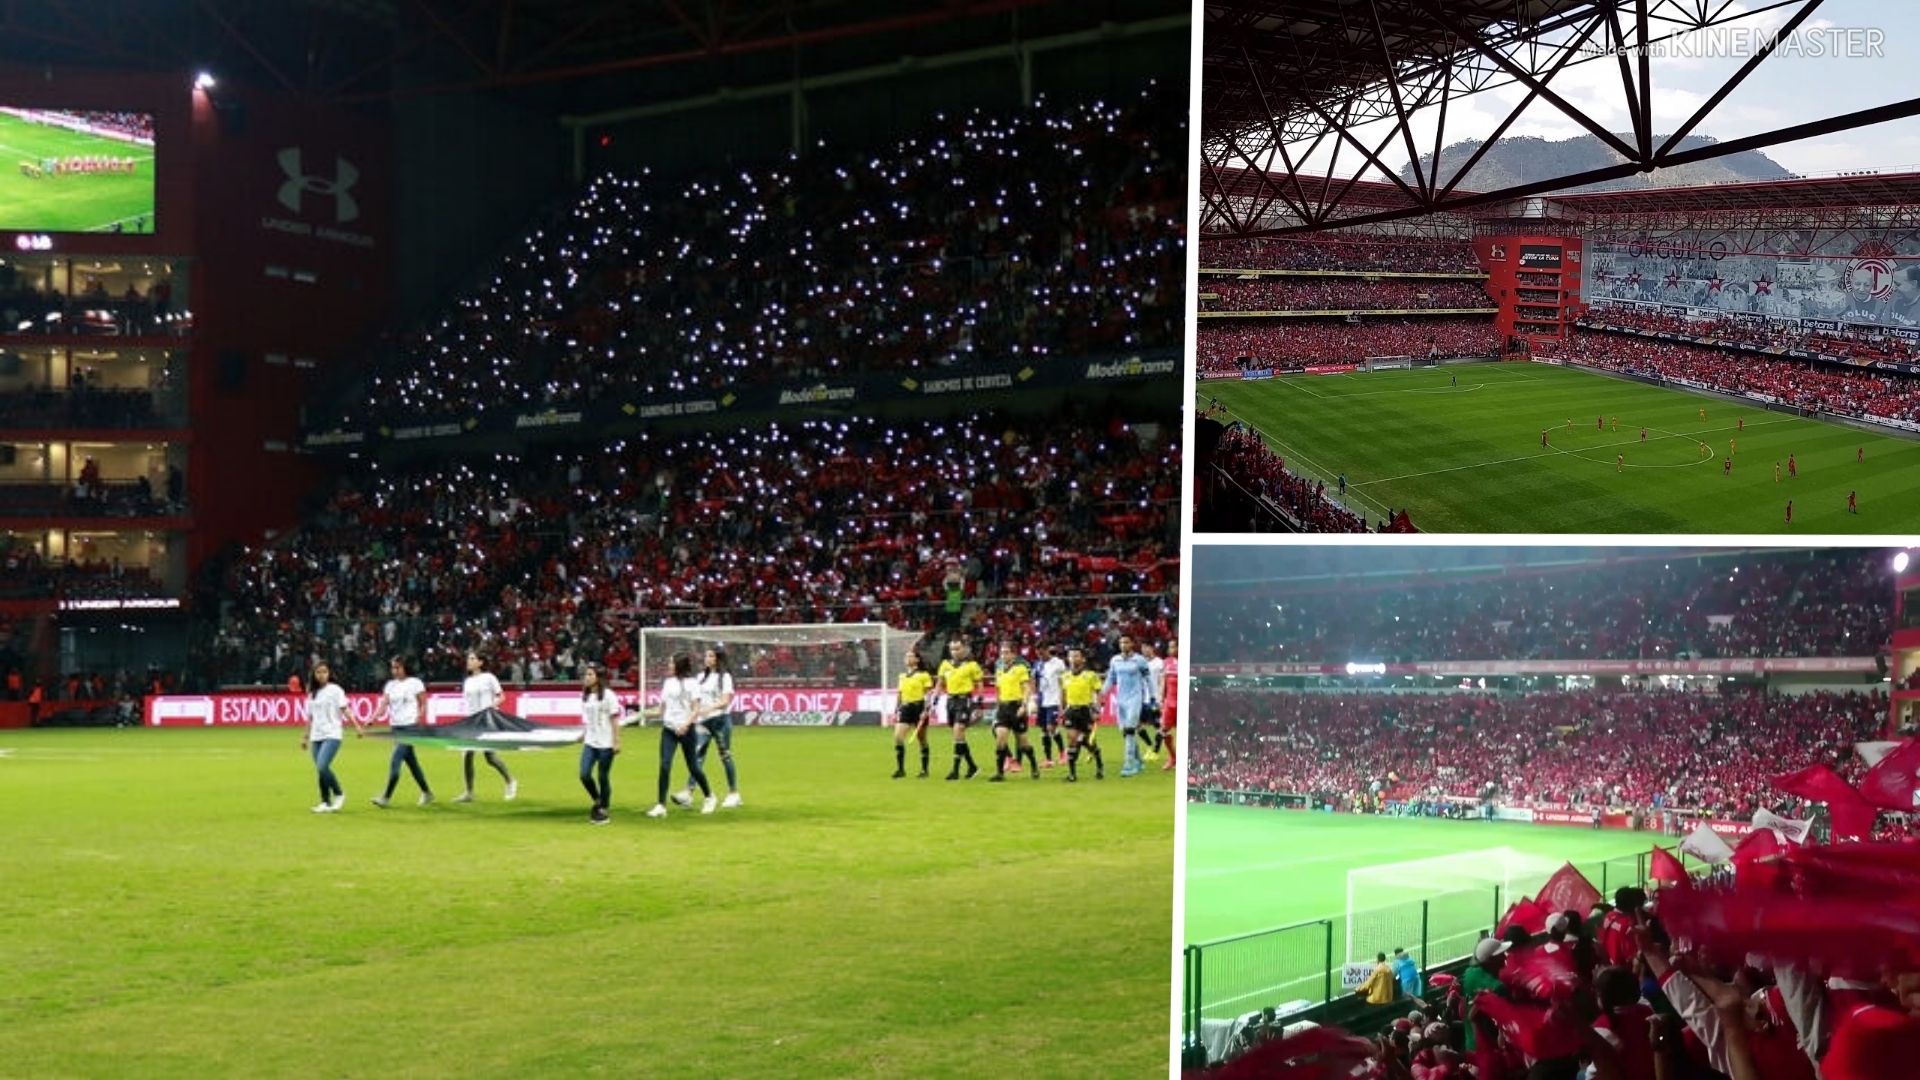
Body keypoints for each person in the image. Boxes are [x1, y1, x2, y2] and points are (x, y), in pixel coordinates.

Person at [646, 653, 713, 817]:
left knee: (693, 767)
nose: (669, 665)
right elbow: (661, 710)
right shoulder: (668, 683)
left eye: (671, 663)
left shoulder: (692, 684)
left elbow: (696, 709)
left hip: (686, 730)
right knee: (664, 765)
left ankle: (709, 797)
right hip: (669, 730)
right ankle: (661, 805)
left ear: (680, 665)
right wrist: (645, 714)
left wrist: (686, 724)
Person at [674, 647, 740, 809]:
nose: (707, 658)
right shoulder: (701, 677)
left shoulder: (725, 677)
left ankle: (733, 793)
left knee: (725, 755)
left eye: (710, 655)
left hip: (720, 721)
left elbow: (725, 701)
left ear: (718, 658)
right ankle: (688, 793)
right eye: (706, 655)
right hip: (703, 722)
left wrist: (707, 709)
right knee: (696, 756)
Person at [301, 660, 362, 813]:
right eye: (319, 672)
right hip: (316, 735)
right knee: (321, 770)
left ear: (329, 674)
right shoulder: (311, 694)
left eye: (325, 672)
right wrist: (305, 737)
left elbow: (345, 709)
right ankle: (325, 802)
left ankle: (339, 793)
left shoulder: (335, 690)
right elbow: (310, 717)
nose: (322, 675)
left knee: (322, 766)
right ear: (314, 675)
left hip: (332, 733)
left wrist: (356, 725)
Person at [370, 656, 431, 808]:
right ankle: (427, 792)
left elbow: (423, 703)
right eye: (393, 667)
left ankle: (386, 797)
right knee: (412, 763)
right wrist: (373, 718)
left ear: (405, 667)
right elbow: (383, 705)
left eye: (398, 667)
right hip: (396, 728)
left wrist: (419, 715)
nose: (394, 671)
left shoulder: (415, 683)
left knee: (395, 760)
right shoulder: (390, 685)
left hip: (410, 727)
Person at [454, 652, 516, 802]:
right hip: (472, 722)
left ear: (480, 662)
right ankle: (469, 792)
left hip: (487, 720)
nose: (469, 661)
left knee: (490, 757)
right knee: (468, 755)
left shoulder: (489, 678)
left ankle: (510, 781)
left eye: (472, 659)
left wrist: (491, 707)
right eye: (468, 658)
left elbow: (501, 696)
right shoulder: (467, 681)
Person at [1103, 634, 1152, 778]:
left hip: (1135, 699)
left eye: (1126, 642)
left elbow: (1149, 680)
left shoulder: (1139, 660)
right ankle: (1139, 761)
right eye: (1121, 642)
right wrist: (1102, 694)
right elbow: (1110, 679)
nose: (1123, 645)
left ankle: (1129, 764)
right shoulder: (1115, 660)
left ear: (1132, 644)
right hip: (1121, 700)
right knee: (1126, 733)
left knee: (1130, 730)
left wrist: (1154, 697)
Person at [988, 639, 1037, 782]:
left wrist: (1024, 705)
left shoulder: (1020, 669)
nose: (1003, 655)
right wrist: (998, 703)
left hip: (1016, 707)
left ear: (1013, 654)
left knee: (1023, 743)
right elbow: (998, 689)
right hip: (1003, 708)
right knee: (1000, 739)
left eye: (1006, 653)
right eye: (1001, 652)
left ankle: (1033, 765)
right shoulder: (999, 669)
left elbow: (1027, 688)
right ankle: (999, 773)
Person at [578, 664, 621, 824]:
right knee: (584, 774)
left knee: (603, 776)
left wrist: (616, 741)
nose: (586, 677)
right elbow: (588, 720)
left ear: (598, 678)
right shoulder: (586, 696)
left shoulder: (609, 695)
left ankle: (604, 807)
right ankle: (597, 799)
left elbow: (615, 719)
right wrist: (583, 734)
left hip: (605, 743)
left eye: (590, 674)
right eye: (586, 674)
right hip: (590, 741)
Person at [937, 636, 984, 781]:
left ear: (964, 648)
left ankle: (955, 770)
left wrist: (979, 703)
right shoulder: (945, 665)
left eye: (957, 648)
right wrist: (934, 697)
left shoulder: (972, 665)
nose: (954, 652)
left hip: (964, 700)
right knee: (958, 737)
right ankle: (972, 766)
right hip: (950, 700)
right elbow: (940, 683)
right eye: (952, 649)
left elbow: (979, 684)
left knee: (958, 731)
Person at [1061, 647, 1103, 781]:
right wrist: (1062, 710)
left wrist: (1097, 710)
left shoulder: (1090, 675)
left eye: (1076, 656)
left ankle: (1099, 765)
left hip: (1086, 711)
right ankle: (1072, 774)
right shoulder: (1064, 676)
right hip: (1071, 711)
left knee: (1087, 741)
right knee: (1072, 740)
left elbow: (1098, 693)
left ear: (1083, 659)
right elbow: (1062, 695)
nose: (1073, 659)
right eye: (1071, 656)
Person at [891, 647, 934, 778]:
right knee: (898, 737)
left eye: (910, 656)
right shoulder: (902, 676)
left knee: (921, 739)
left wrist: (926, 709)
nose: (907, 659)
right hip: (905, 707)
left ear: (917, 659)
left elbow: (928, 694)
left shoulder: (923, 675)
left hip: (919, 706)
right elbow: (900, 693)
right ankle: (900, 769)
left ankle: (924, 770)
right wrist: (896, 708)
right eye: (906, 656)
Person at [1034, 642, 1067, 767]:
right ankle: (1048, 759)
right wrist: (1034, 698)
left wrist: (1062, 702)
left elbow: (1063, 682)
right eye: (1038, 653)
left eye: (1042, 652)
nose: (1040, 655)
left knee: (1051, 728)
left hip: (1054, 700)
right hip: (1042, 700)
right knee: (1043, 730)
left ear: (1047, 650)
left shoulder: (1058, 663)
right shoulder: (1038, 665)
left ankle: (1063, 753)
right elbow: (1035, 681)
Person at [1139, 642, 1166, 762]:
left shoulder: (1159, 663)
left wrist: (1160, 697)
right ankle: (1150, 746)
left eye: (1146, 647)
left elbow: (1162, 681)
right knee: (1137, 725)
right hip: (1142, 699)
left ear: (1151, 648)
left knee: (1158, 725)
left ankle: (1156, 751)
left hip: (1154, 699)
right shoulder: (1140, 662)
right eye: (1142, 648)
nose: (1144, 650)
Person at [1160, 640, 1179, 773]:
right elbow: (1163, 682)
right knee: (1164, 731)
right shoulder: (1166, 662)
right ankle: (1173, 758)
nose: (1171, 649)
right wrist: (1161, 699)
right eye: (1170, 646)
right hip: (1170, 703)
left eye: (1174, 646)